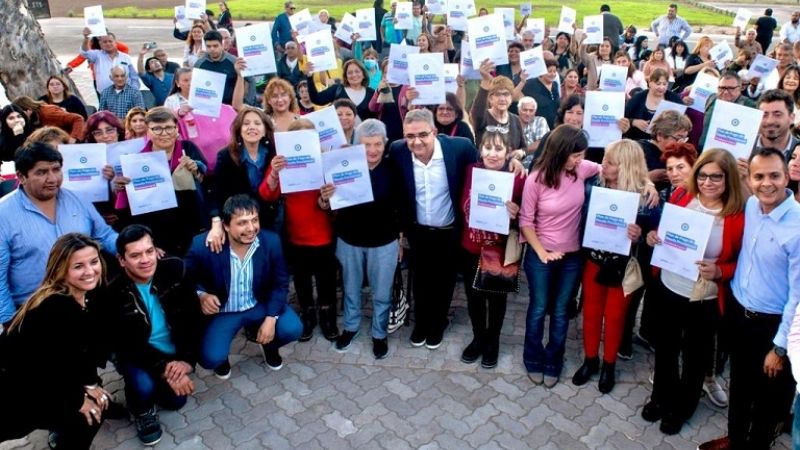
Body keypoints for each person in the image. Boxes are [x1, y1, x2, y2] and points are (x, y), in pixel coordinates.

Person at [699, 147, 800, 450]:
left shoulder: (797, 227)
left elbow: (798, 296)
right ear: (750, 179)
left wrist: (779, 348)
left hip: (771, 330)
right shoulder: (753, 205)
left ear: (786, 177)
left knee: (768, 402)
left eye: (774, 175)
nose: (766, 183)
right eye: (759, 176)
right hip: (738, 315)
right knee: (740, 388)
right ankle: (735, 438)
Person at [642, 149, 746, 435]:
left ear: (729, 180)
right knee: (665, 347)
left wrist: (721, 271)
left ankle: (684, 406)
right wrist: (654, 237)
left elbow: (745, 260)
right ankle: (660, 397)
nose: (708, 182)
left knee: (695, 355)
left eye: (716, 177)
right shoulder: (681, 196)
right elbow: (666, 232)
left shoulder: (737, 214)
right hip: (669, 286)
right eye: (703, 175)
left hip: (704, 297)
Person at [0, 233, 110, 449]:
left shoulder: (89, 294)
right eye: (78, 266)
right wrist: (77, 400)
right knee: (88, 413)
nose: (90, 271)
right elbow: (42, 369)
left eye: (94, 262)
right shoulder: (54, 308)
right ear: (61, 269)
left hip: (42, 382)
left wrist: (90, 383)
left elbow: (80, 352)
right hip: (14, 389)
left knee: (95, 404)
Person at [106, 225, 204, 446]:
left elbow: (193, 319)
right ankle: (141, 409)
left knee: (176, 401)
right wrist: (164, 369)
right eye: (135, 255)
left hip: (173, 351)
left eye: (149, 251)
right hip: (138, 353)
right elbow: (126, 345)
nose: (145, 260)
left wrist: (186, 361)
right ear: (121, 260)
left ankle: (159, 381)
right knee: (143, 386)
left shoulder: (175, 269)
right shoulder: (112, 291)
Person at [388, 109, 478, 349]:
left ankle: (438, 323)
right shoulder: (398, 151)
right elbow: (395, 190)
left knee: (445, 280)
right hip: (418, 231)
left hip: (449, 229)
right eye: (410, 136)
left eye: (422, 135)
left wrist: (513, 160)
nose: (416, 141)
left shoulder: (460, 148)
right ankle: (421, 323)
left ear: (435, 133)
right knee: (420, 279)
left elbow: (484, 168)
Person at [572, 139, 656, 394]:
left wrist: (639, 233)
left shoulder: (645, 197)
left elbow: (653, 233)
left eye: (610, 162)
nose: (603, 165)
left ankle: (609, 364)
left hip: (623, 267)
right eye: (605, 159)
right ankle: (590, 360)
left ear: (626, 166)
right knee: (592, 312)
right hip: (594, 261)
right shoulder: (593, 185)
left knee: (616, 316)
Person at [186, 194, 303, 377]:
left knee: (292, 329)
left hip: (258, 305)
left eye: (254, 220)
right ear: (225, 226)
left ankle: (269, 344)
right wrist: (201, 295)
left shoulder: (271, 242)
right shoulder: (202, 245)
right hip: (224, 312)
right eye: (242, 223)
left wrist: (271, 318)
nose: (251, 228)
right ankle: (222, 358)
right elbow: (186, 279)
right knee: (210, 358)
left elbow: (280, 283)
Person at [0, 143, 117, 324]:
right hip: (35, 313)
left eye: (56, 169)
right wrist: (9, 323)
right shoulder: (4, 214)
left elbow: (104, 236)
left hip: (86, 303)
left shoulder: (78, 199)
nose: (52, 178)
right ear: (22, 177)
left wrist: (133, 249)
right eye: (42, 172)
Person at [520, 125, 598, 388]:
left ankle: (554, 359)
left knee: (561, 311)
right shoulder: (536, 179)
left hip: (572, 257)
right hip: (541, 255)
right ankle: (532, 356)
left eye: (581, 154)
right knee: (539, 308)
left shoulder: (582, 168)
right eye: (575, 155)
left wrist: (647, 183)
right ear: (560, 151)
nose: (579, 159)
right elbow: (526, 221)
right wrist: (542, 252)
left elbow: (611, 168)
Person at [318, 120, 401, 358]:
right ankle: (351, 327)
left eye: (377, 144)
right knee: (351, 288)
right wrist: (326, 197)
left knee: (382, 292)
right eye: (366, 145)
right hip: (349, 239)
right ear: (356, 145)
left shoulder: (393, 167)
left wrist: (401, 237)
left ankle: (379, 333)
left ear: (385, 144)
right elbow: (326, 206)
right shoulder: (342, 166)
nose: (372, 150)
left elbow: (402, 203)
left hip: (384, 241)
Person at [258, 119, 338, 342]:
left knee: (326, 278)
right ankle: (308, 313)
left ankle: (327, 314)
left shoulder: (326, 160)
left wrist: (327, 199)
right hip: (294, 232)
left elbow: (339, 199)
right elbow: (266, 195)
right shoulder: (281, 161)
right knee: (301, 278)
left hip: (323, 232)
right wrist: (274, 174)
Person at [458, 129, 525, 369]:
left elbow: (527, 214)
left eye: (498, 149)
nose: (492, 154)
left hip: (500, 249)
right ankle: (478, 337)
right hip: (471, 246)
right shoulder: (471, 171)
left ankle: (492, 341)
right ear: (480, 150)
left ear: (508, 152)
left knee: (496, 299)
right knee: (474, 297)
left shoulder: (518, 176)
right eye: (488, 148)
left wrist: (516, 213)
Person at [111, 107, 208, 255]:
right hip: (159, 236)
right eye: (157, 129)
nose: (164, 134)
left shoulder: (188, 149)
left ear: (177, 129)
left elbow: (207, 181)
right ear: (148, 131)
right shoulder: (137, 162)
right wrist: (122, 188)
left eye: (169, 128)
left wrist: (196, 169)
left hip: (193, 228)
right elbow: (132, 211)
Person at [207, 107, 277, 245]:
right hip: (239, 221)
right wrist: (216, 222)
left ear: (265, 130)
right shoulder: (225, 156)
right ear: (239, 129)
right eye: (246, 123)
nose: (251, 127)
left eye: (257, 123)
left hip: (271, 219)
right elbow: (216, 192)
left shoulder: (276, 153)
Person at [470, 62, 526, 151]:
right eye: (497, 94)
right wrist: (485, 79)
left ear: (511, 98)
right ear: (490, 98)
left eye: (506, 94)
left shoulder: (515, 119)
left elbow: (523, 147)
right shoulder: (483, 117)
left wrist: (521, 153)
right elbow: (477, 109)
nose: (502, 99)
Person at [698, 71, 757, 149]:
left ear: (740, 88)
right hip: (702, 151)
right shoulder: (712, 98)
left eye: (731, 88)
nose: (725, 92)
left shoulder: (750, 106)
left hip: (728, 155)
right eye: (722, 88)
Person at [624, 69, 684, 142]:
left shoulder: (674, 98)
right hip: (639, 141)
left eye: (664, 84)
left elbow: (683, 120)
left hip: (665, 142)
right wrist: (634, 122)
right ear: (650, 83)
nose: (661, 87)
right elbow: (624, 118)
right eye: (658, 84)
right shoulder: (638, 98)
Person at [306, 59, 376, 121]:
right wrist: (309, 77)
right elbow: (316, 99)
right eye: (350, 72)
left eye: (357, 71)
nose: (354, 75)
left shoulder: (372, 93)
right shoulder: (337, 89)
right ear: (345, 76)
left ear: (363, 74)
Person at [79, 28, 140, 94]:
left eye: (110, 41)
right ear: (100, 44)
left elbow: (134, 77)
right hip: (105, 96)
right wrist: (86, 38)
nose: (108, 44)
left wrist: (134, 91)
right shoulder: (97, 56)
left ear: (115, 43)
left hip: (125, 94)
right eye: (105, 42)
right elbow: (84, 53)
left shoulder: (125, 57)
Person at [12, 96, 85, 143]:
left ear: (29, 110)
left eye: (20, 115)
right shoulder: (30, 119)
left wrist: (73, 140)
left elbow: (78, 119)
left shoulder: (48, 113)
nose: (19, 118)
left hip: (67, 142)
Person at [195, 30, 240, 105]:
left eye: (215, 46)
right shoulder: (199, 64)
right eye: (208, 46)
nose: (212, 49)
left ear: (222, 45)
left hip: (231, 106)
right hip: (208, 105)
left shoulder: (234, 61)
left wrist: (246, 101)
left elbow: (249, 80)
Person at [756, 89, 799, 159]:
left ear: (792, 118)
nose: (769, 121)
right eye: (764, 115)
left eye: (777, 114)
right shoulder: (744, 147)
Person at [521, 58, 561, 130]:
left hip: (554, 128)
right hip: (537, 128)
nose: (553, 74)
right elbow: (516, 98)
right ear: (542, 71)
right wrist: (522, 82)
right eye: (549, 71)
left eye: (554, 71)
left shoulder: (555, 85)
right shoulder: (531, 84)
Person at [517, 96, 550, 168]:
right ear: (519, 110)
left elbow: (541, 143)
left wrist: (523, 151)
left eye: (531, 110)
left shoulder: (540, 121)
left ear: (535, 112)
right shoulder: (512, 121)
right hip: (516, 164)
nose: (528, 114)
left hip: (536, 165)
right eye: (525, 110)